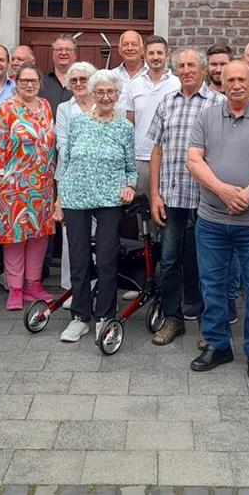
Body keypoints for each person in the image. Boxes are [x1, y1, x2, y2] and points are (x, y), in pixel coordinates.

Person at [187, 60, 249, 381]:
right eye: (230, 80)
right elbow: (194, 159)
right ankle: (217, 345)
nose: (236, 85)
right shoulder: (206, 116)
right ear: (222, 82)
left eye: (242, 79)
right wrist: (223, 190)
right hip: (212, 219)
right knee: (212, 284)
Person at [56, 70, 137, 342]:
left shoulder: (125, 127)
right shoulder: (78, 122)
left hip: (110, 199)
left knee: (106, 259)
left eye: (110, 92)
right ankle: (80, 317)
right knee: (78, 259)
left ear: (117, 95)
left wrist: (130, 186)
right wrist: (60, 198)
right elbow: (67, 163)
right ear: (92, 95)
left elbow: (130, 167)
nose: (105, 97)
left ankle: (105, 316)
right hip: (76, 198)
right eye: (99, 92)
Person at [148, 48, 220, 345]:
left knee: (208, 263)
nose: (186, 70)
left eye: (192, 65)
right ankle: (172, 319)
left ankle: (209, 325)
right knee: (169, 260)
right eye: (181, 65)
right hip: (172, 196)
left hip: (207, 197)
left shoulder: (218, 103)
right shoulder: (167, 101)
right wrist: (154, 194)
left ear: (203, 69)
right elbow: (157, 150)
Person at [0, 64, 57, 310]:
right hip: (13, 184)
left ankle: (33, 285)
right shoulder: (6, 108)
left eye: (33, 81)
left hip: (42, 184)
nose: (29, 85)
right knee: (15, 236)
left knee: (39, 235)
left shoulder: (45, 106)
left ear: (39, 83)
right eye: (24, 81)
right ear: (16, 83)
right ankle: (15, 288)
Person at [54, 61, 98, 292]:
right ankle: (72, 287)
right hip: (70, 175)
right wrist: (81, 161)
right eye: (74, 80)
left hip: (99, 178)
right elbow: (61, 143)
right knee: (71, 233)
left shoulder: (102, 104)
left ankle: (96, 285)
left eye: (83, 79)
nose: (79, 83)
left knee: (98, 234)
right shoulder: (64, 108)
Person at [123, 35, 180, 201]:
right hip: (140, 157)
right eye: (151, 53)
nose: (155, 57)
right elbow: (130, 122)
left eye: (159, 53)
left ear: (167, 55)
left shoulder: (177, 84)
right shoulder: (135, 84)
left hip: (169, 158)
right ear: (144, 56)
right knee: (142, 208)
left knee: (167, 206)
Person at [41, 34, 77, 114]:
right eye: (59, 49)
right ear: (53, 54)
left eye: (68, 49)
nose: (63, 53)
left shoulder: (84, 82)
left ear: (75, 55)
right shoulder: (40, 81)